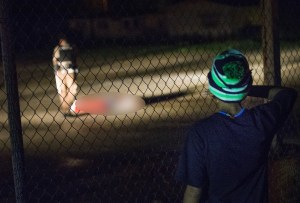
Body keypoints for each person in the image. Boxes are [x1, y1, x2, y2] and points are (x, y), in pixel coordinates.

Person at [175, 49, 298, 203]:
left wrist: (239, 88)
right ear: (246, 86)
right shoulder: (262, 121)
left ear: (212, 86)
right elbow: (287, 94)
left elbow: (194, 191)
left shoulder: (200, 133)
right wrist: (247, 88)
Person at [52, 35, 79, 116]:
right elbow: (55, 60)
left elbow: (75, 60)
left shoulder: (72, 48)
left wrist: (76, 70)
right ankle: (65, 110)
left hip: (70, 70)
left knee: (72, 89)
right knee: (62, 90)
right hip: (61, 71)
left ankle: (68, 107)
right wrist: (57, 71)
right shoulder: (58, 49)